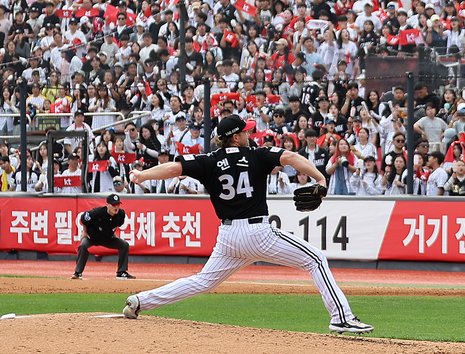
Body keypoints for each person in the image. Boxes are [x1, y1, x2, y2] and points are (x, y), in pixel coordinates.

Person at [122, 114, 372, 333]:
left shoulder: (209, 160)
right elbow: (291, 157)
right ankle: (342, 318)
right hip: (258, 233)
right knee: (315, 259)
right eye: (245, 131)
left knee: (202, 281)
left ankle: (141, 301)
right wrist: (319, 178)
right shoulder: (257, 154)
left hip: (228, 237)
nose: (249, 133)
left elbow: (172, 169)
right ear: (234, 138)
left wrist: (142, 174)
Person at [72, 193, 133, 280]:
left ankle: (121, 272)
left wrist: (113, 234)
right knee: (83, 245)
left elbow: (115, 224)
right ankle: (77, 273)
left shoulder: (121, 214)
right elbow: (84, 218)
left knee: (124, 245)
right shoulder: (97, 212)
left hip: (108, 238)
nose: (116, 207)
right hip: (92, 238)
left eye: (118, 204)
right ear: (107, 205)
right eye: (113, 205)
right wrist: (85, 232)